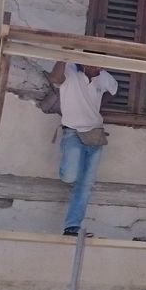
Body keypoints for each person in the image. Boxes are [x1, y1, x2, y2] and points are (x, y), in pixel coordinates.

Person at [49, 60, 118, 235]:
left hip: (95, 134)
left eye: (101, 66)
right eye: (96, 65)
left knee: (85, 185)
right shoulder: (70, 70)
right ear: (86, 62)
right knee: (70, 176)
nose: (99, 68)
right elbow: (55, 78)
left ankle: (72, 227)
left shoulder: (103, 77)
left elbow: (115, 90)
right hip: (72, 131)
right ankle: (68, 174)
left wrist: (97, 106)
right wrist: (63, 56)